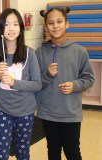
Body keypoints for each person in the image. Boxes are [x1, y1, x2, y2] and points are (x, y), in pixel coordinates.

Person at [36, 7, 95, 160]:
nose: (55, 26)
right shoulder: (40, 53)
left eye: (59, 22)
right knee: (53, 150)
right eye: (51, 23)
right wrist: (47, 75)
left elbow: (89, 79)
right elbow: (35, 84)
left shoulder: (79, 51)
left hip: (70, 113)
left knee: (72, 151)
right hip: (48, 113)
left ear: (67, 24)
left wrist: (75, 85)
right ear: (46, 27)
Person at [0, 8, 42, 160]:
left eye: (15, 24)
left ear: (20, 28)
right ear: (1, 29)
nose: (11, 28)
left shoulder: (30, 53)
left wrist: (14, 82)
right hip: (3, 110)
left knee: (23, 152)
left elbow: (37, 84)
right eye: (7, 24)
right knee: (1, 153)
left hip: (25, 111)